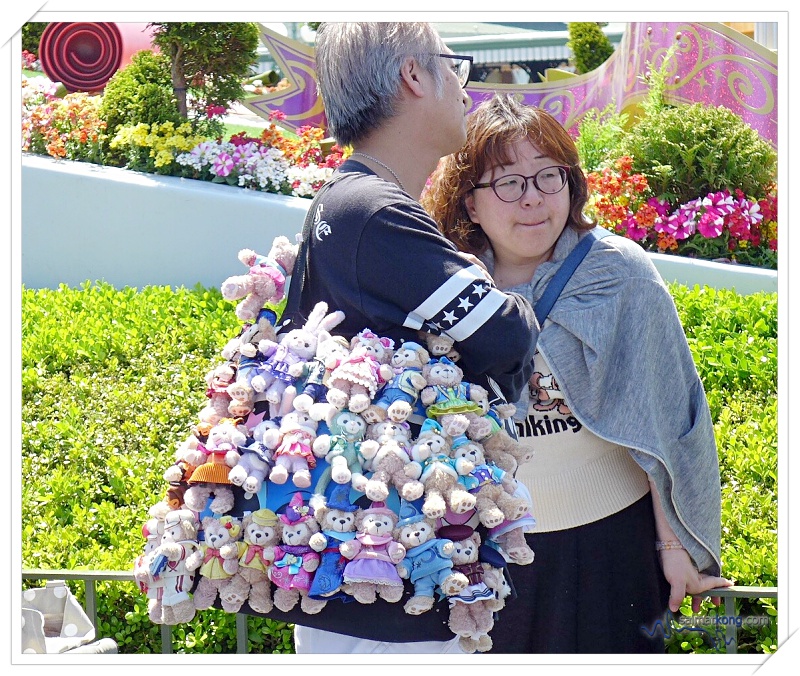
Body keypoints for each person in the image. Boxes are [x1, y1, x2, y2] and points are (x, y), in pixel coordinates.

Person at [422, 94, 732, 653]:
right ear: (469, 202)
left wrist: (674, 548)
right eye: (509, 183)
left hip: (611, 550)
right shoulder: (445, 291)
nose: (534, 199)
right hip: (492, 557)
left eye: (549, 177)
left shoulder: (621, 275)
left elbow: (665, 424)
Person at [277, 24, 539, 653]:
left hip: (360, 578)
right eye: (455, 66)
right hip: (392, 590)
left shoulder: (344, 201)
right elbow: (505, 335)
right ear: (414, 76)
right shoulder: (376, 212)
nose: (465, 86)